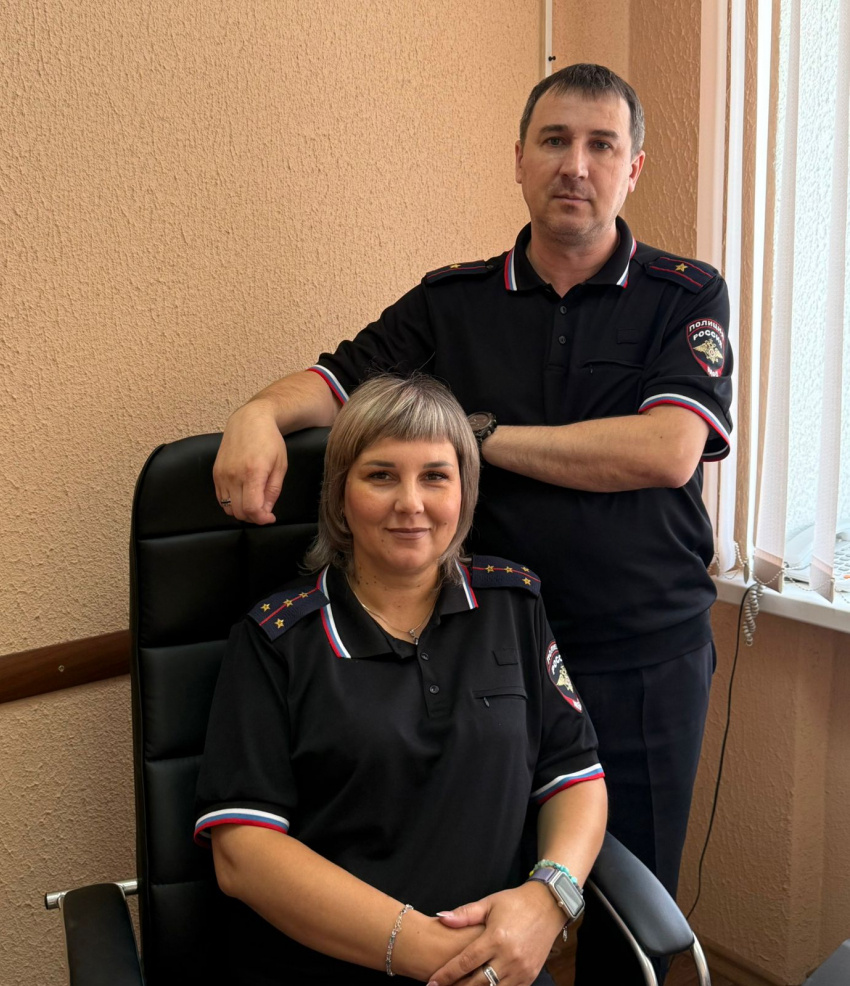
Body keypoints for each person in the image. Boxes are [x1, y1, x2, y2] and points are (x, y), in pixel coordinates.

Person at [212, 64, 733, 980]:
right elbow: (338, 382)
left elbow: (665, 451)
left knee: (624, 904)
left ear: (633, 169)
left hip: (640, 652)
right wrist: (257, 411)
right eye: (554, 141)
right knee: (464, 878)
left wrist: (479, 438)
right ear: (519, 160)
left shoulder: (683, 295)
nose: (575, 165)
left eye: (601, 145)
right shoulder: (451, 302)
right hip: (483, 647)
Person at [196, 374, 608, 986]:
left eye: (435, 476)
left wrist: (550, 897)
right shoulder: (277, 639)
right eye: (381, 475)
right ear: (340, 495)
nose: (410, 503)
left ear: (464, 492)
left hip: (498, 966)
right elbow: (242, 853)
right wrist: (428, 951)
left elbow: (574, 776)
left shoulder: (513, 604)